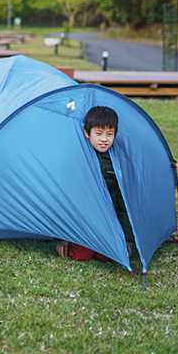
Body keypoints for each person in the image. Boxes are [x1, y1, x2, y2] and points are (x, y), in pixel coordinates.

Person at [56, 105, 136, 262]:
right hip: (83, 222)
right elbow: (65, 200)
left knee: (109, 256)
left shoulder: (116, 162)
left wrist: (128, 239)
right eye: (98, 134)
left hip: (109, 223)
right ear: (87, 133)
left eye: (109, 134)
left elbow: (123, 204)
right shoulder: (77, 159)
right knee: (80, 255)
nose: (104, 139)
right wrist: (61, 237)